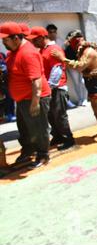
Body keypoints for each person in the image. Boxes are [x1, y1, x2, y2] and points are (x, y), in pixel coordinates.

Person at [1, 22, 52, 168]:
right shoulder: (14, 52)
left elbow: (36, 80)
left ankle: (43, 156)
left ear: (16, 38)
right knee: (25, 129)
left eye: (5, 40)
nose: (3, 42)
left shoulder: (28, 53)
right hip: (22, 99)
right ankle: (29, 151)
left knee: (38, 128)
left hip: (34, 98)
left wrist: (35, 102)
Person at [51, 30, 97, 144]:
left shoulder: (88, 51)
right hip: (91, 81)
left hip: (96, 82)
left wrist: (62, 59)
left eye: (71, 42)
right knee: (96, 109)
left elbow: (80, 66)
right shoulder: (84, 50)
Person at [29, 27, 75, 151]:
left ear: (42, 38)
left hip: (57, 88)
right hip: (51, 88)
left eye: (35, 40)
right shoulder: (43, 50)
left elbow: (57, 70)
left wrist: (48, 87)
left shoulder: (53, 50)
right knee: (51, 115)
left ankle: (68, 138)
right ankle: (58, 136)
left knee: (59, 115)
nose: (33, 42)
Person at [63, 31, 88, 108]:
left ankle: (85, 99)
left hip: (80, 65)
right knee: (76, 83)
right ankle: (80, 99)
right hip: (72, 67)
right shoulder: (67, 47)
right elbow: (66, 57)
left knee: (82, 82)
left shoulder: (81, 46)